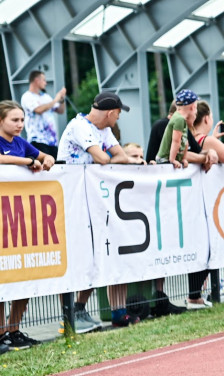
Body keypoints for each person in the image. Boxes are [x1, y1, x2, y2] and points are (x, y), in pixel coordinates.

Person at [57, 91, 145, 329]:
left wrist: (121, 159)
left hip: (92, 200)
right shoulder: (79, 126)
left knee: (97, 255)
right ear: (109, 112)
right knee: (80, 256)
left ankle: (81, 309)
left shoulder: (104, 131)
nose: (118, 118)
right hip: (71, 200)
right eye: (118, 113)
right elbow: (103, 159)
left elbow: (120, 155)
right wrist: (117, 159)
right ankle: (72, 312)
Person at [0, 100, 57, 350]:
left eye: (22, 120)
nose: (20, 125)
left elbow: (42, 155)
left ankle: (14, 330)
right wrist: (26, 162)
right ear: (1, 121)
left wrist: (48, 159)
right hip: (4, 219)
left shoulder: (21, 143)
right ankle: (1, 333)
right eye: (14, 120)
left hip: (23, 221)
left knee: (23, 277)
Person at [20, 70, 66, 158]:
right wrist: (55, 99)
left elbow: (60, 110)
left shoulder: (46, 97)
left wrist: (61, 99)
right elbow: (38, 110)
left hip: (52, 141)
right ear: (37, 80)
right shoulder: (27, 96)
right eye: (44, 80)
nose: (46, 83)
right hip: (37, 140)